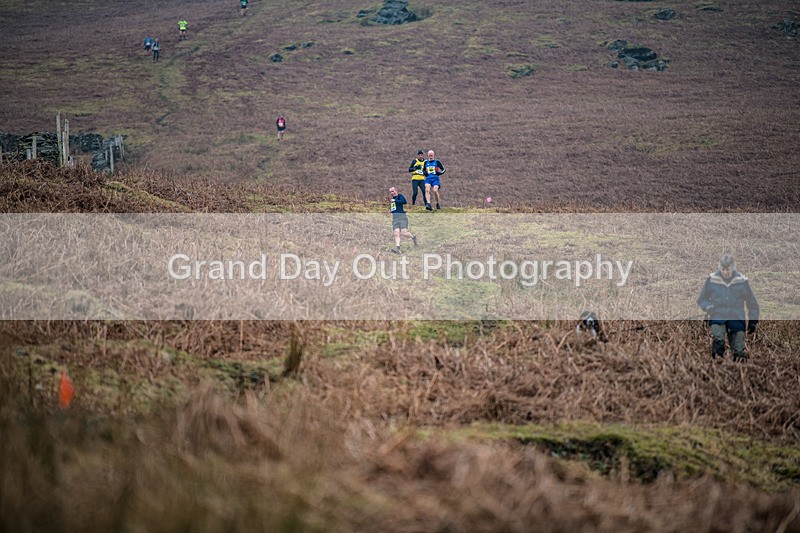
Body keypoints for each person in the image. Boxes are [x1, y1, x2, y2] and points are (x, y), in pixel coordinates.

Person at [697, 253, 759, 361]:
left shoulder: (742, 281)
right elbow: (702, 299)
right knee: (718, 341)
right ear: (719, 268)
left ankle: (738, 368)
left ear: (733, 268)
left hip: (736, 318)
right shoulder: (712, 279)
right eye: (723, 269)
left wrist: (753, 321)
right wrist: (707, 307)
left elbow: (752, 303)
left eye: (728, 269)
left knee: (739, 351)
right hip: (717, 316)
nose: (725, 272)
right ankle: (717, 365)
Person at [389, 186, 418, 254]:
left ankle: (413, 237)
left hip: (402, 217)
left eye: (392, 191)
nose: (391, 193)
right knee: (396, 233)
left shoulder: (400, 196)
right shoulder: (392, 200)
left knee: (404, 233)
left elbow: (404, 201)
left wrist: (395, 200)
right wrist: (390, 211)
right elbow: (395, 208)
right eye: (390, 192)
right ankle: (397, 248)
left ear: (396, 191)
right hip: (395, 219)